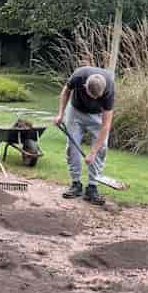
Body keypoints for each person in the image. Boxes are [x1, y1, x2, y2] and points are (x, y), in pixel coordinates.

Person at [53, 66, 115, 206]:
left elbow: (106, 126)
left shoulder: (109, 89)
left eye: (96, 98)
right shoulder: (79, 76)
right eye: (89, 94)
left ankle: (92, 188)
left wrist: (92, 152)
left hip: (97, 116)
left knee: (101, 148)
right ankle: (76, 184)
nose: (91, 99)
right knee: (72, 147)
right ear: (85, 85)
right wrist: (60, 114)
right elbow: (65, 92)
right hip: (76, 112)